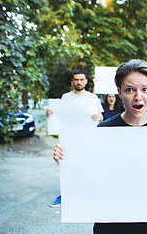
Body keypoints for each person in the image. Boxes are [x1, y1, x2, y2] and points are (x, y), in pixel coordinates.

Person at [53, 59, 147, 234]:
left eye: (145, 89)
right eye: (130, 90)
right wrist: (66, 159)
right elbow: (91, 170)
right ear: (119, 92)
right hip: (111, 223)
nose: (138, 96)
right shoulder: (104, 129)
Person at [47, 69, 104, 208]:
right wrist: (51, 113)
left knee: (89, 165)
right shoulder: (66, 97)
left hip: (88, 137)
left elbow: (101, 116)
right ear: (73, 81)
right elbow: (60, 115)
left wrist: (98, 117)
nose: (78, 82)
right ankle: (65, 195)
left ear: (86, 81)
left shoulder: (92, 98)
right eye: (76, 79)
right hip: (69, 137)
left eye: (81, 79)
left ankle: (89, 194)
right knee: (67, 165)